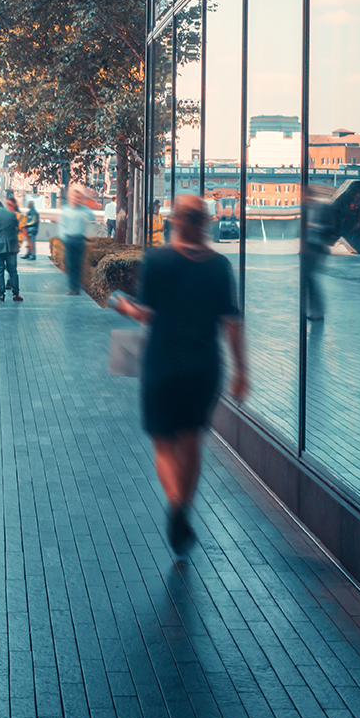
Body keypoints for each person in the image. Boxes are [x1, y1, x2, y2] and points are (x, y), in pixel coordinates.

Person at [110, 194, 248, 554]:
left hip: (162, 363)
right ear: (204, 223)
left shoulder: (159, 260)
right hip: (205, 366)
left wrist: (125, 307)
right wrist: (242, 371)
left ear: (175, 221)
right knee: (192, 440)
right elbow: (232, 323)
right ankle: (183, 507)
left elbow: (147, 314)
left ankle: (175, 504)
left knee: (163, 441)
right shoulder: (220, 266)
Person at [59, 185, 97, 295]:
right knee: (70, 265)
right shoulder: (66, 210)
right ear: (71, 197)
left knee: (78, 264)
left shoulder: (83, 209)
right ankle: (72, 288)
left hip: (79, 240)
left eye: (78, 197)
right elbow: (62, 225)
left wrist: (87, 201)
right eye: (74, 196)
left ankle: (76, 287)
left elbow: (92, 217)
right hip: (69, 240)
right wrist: (63, 238)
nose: (76, 199)